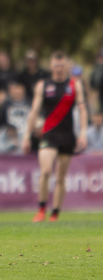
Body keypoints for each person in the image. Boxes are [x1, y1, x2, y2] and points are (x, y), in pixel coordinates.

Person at [22, 51, 87, 223]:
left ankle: (55, 213)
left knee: (61, 177)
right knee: (45, 171)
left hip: (67, 136)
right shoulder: (43, 85)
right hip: (49, 134)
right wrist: (27, 135)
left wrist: (83, 133)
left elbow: (82, 109)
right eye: (56, 65)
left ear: (66, 66)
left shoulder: (74, 85)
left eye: (61, 65)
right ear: (51, 66)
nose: (59, 68)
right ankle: (41, 209)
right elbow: (34, 111)